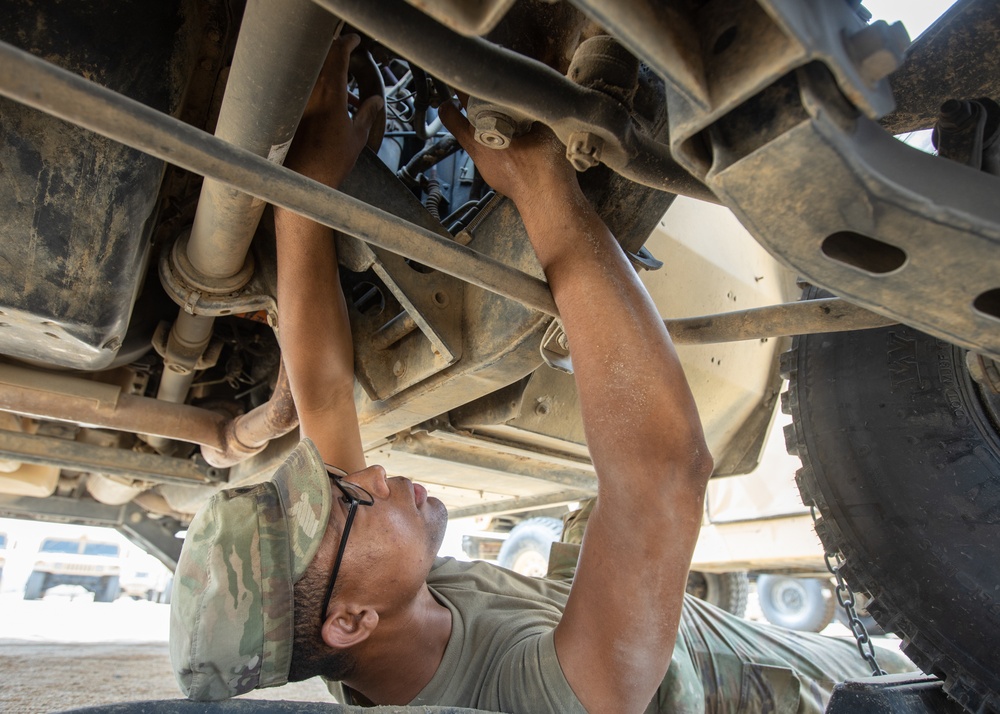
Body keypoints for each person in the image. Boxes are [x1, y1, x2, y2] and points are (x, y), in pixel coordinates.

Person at [169, 35, 914, 713]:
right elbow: (661, 477)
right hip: (839, 690)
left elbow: (324, 390)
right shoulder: (517, 705)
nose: (368, 473)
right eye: (345, 502)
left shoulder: (363, 611)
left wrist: (303, 193)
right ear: (351, 620)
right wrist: (540, 186)